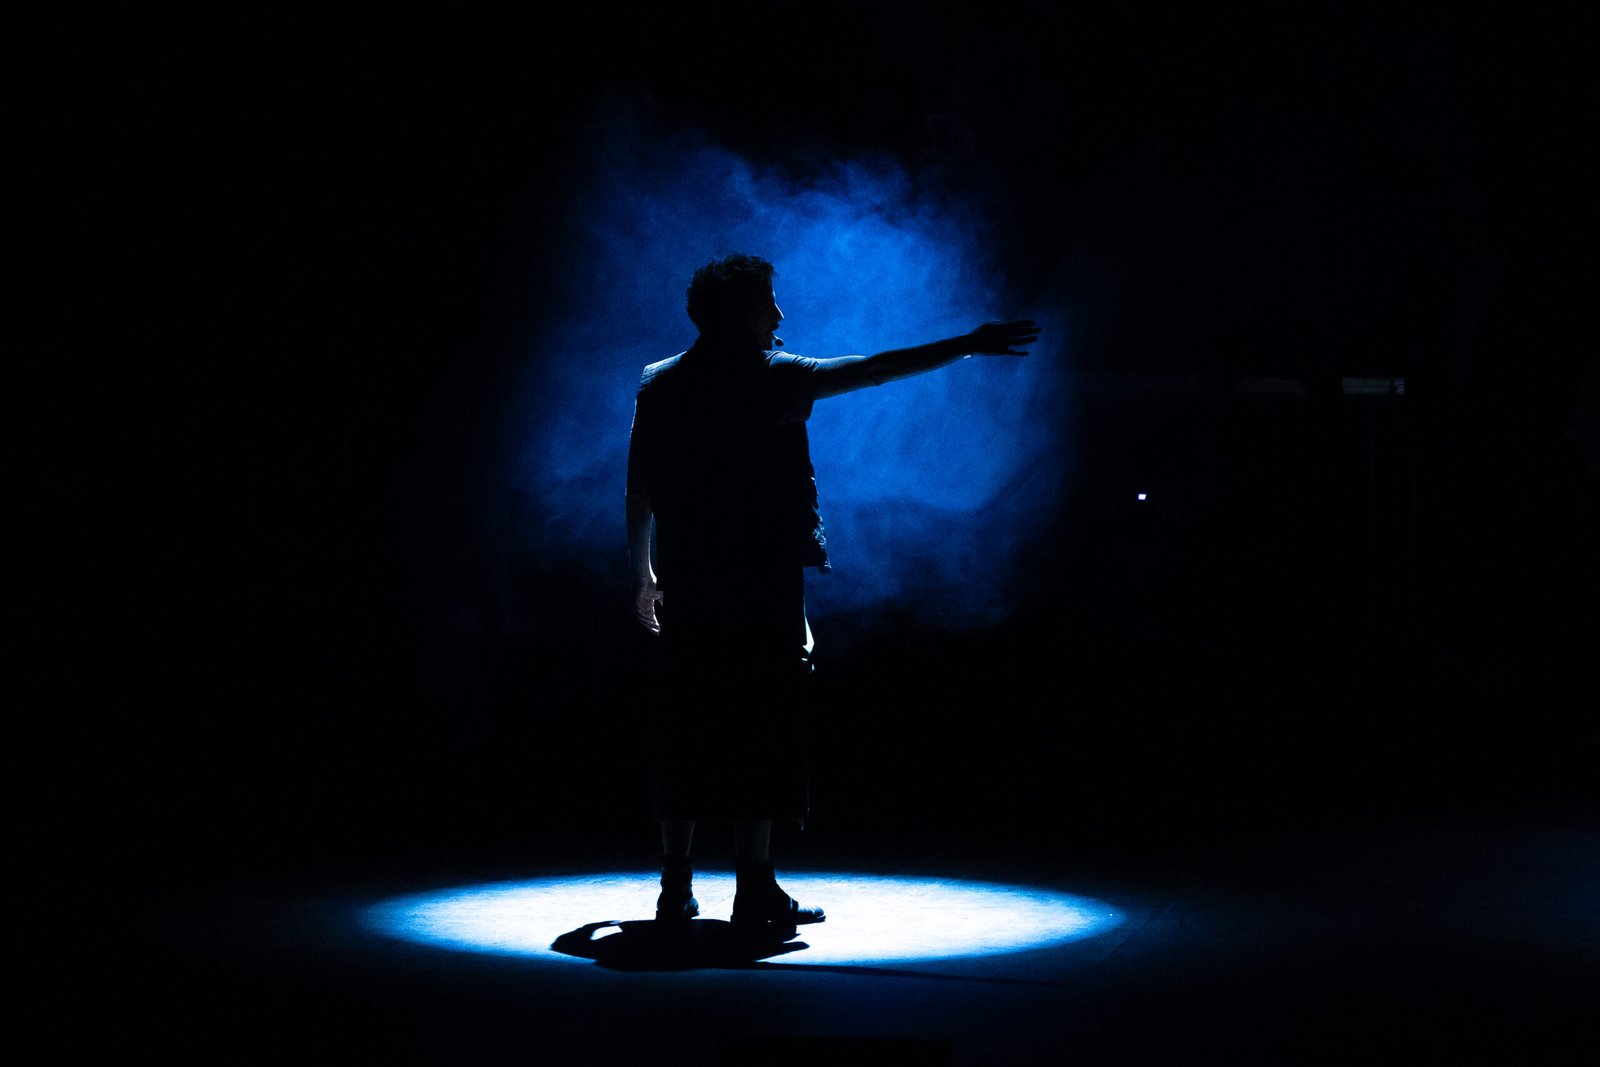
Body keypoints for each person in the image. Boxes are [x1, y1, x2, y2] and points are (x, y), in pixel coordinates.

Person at [626, 253, 1038, 928]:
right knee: (761, 724)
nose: (779, 314)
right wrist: (967, 343)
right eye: (767, 302)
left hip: (690, 580)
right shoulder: (773, 375)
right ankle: (753, 887)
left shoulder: (660, 381)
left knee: (687, 722)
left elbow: (639, 486)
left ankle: (676, 888)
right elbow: (874, 368)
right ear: (736, 313)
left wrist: (642, 574)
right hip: (760, 582)